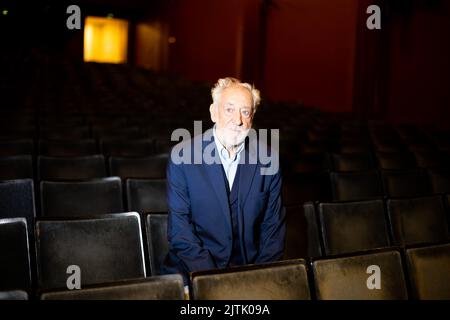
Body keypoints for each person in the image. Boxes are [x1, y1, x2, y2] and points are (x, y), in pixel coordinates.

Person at [161, 77, 285, 286]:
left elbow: (273, 231)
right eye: (229, 109)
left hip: (249, 272)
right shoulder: (182, 157)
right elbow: (180, 232)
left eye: (245, 112)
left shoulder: (268, 160)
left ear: (252, 118)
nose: (238, 120)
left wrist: (261, 278)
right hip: (193, 272)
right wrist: (214, 282)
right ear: (213, 112)